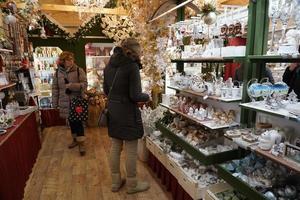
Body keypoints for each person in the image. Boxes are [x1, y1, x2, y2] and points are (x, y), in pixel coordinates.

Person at [103, 38, 150, 194]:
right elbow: (135, 95)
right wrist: (147, 96)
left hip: (113, 110)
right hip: (128, 112)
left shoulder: (109, 65)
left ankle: (116, 182)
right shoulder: (131, 67)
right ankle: (132, 184)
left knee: (115, 147)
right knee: (130, 149)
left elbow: (105, 90)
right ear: (135, 50)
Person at [52, 51, 87, 156]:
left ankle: (81, 143)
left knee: (78, 122)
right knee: (71, 121)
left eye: (72, 59)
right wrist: (54, 103)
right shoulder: (58, 73)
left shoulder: (78, 70)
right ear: (63, 61)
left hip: (77, 101)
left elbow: (84, 84)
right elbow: (55, 88)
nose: (70, 62)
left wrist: (72, 85)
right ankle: (75, 140)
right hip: (64, 102)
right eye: (68, 60)